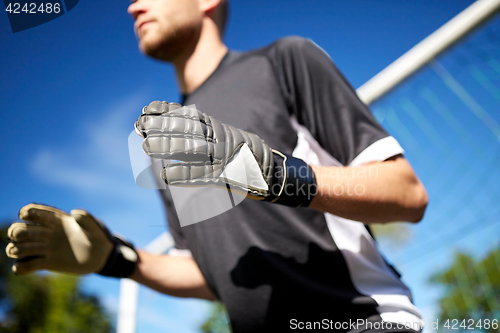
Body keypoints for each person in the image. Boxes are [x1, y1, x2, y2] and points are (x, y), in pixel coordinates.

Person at [6, 0, 429, 332]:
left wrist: (277, 176)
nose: (132, 7)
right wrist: (118, 261)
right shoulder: (163, 141)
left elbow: (406, 194)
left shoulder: (283, 60)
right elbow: (212, 274)